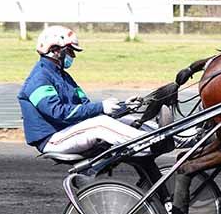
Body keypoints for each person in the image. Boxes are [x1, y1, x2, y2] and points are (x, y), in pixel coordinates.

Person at [17, 25, 146, 155]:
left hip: (69, 131)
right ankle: (148, 143)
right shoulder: (39, 78)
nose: (73, 56)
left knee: (127, 120)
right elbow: (58, 113)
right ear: (55, 50)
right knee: (101, 124)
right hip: (52, 139)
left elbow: (86, 107)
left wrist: (124, 107)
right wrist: (101, 107)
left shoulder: (64, 76)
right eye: (70, 51)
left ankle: (159, 134)